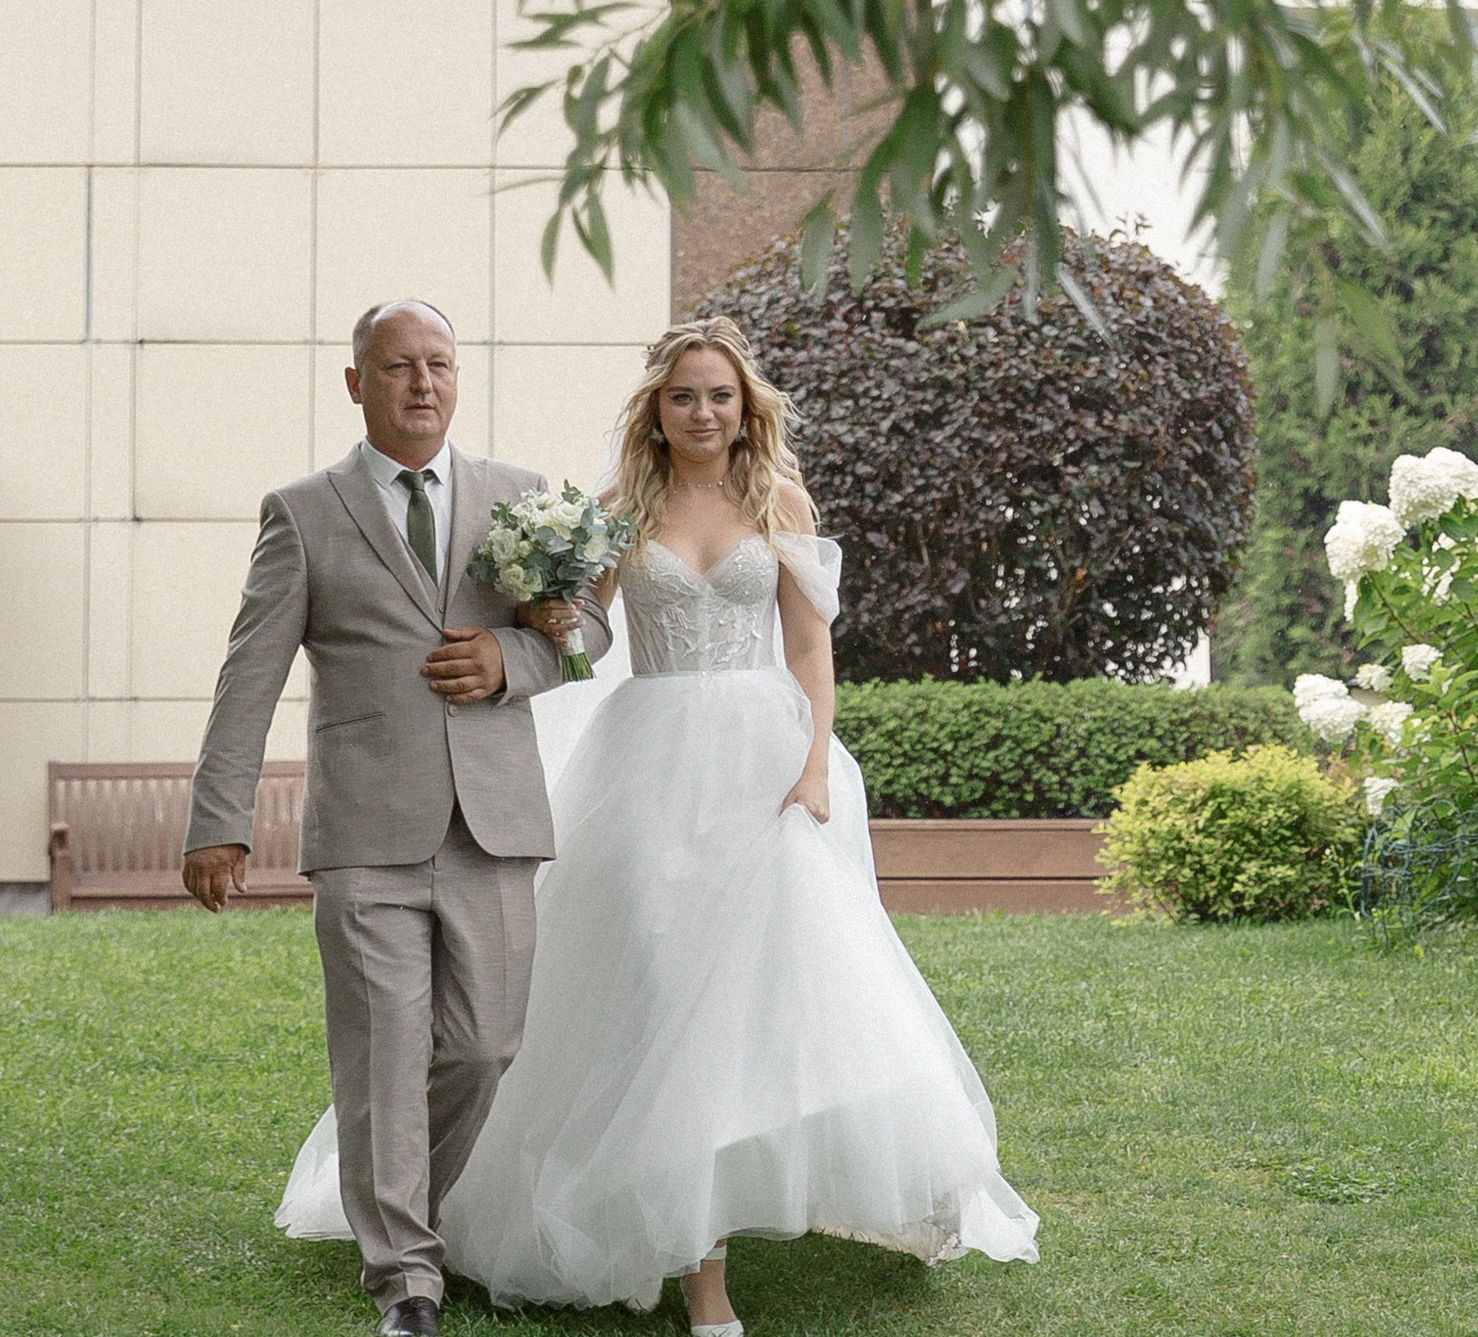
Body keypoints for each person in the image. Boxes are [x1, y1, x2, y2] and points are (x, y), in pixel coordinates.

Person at [280, 314, 1039, 1334]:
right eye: (683, 394)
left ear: (744, 405)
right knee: (657, 994)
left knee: (782, 1000)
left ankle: (796, 1213)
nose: (702, 410)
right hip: (649, 766)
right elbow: (584, 635)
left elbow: (809, 648)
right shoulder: (616, 508)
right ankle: (687, 1263)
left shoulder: (780, 499)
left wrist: (814, 764)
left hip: (767, 766)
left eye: (719, 394)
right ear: (657, 406)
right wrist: (549, 617)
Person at [184, 300, 608, 1337]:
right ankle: (406, 1276)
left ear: (458, 377)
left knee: (483, 1049)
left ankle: (401, 1202)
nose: (422, 383)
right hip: (367, 831)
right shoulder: (304, 511)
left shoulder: (523, 499)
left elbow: (587, 628)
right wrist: (218, 818)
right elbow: (252, 672)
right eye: (397, 366)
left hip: (495, 825)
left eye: (439, 364)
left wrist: (517, 657)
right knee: (380, 1051)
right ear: (356, 383)